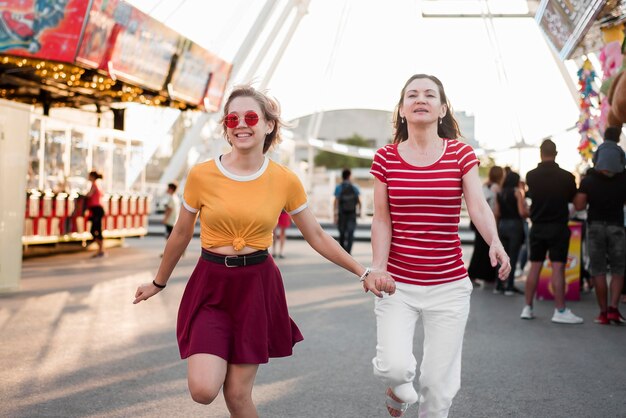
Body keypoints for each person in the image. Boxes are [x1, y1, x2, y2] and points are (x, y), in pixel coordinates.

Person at [133, 85, 396, 416]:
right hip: (211, 287)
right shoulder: (202, 174)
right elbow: (182, 232)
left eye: (251, 116)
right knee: (202, 390)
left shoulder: (284, 179)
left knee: (238, 394)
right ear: (226, 128)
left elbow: (315, 234)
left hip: (256, 288)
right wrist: (158, 282)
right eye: (233, 118)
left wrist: (364, 271)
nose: (241, 124)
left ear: (269, 125)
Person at [369, 74, 510, 417]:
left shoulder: (461, 154)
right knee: (395, 368)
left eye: (430, 95)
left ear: (442, 108)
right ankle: (398, 392)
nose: (421, 99)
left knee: (436, 384)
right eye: (412, 95)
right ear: (402, 109)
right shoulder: (386, 158)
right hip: (397, 285)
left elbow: (477, 205)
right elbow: (382, 218)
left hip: (448, 285)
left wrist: (495, 241)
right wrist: (378, 267)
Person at [520, 139, 583, 324]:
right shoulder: (566, 177)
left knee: (534, 267)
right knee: (558, 269)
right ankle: (560, 310)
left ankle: (527, 307)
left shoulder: (531, 176)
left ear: (540, 153)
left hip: (537, 226)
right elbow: (576, 202)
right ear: (556, 153)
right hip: (558, 226)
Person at [573, 146, 626, 324]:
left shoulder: (589, 181)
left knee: (599, 270)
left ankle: (603, 313)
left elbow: (579, 206)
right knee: (618, 270)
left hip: (595, 226)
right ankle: (613, 309)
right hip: (617, 226)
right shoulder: (623, 178)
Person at [467, 165, 503, 287]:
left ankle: (474, 274)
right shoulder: (496, 188)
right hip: (488, 222)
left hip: (478, 221)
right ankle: (484, 276)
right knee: (487, 249)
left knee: (479, 249)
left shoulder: (484, 186)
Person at [494, 170, 529, 295]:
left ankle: (498, 285)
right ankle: (509, 285)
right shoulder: (517, 192)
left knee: (501, 256)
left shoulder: (499, 193)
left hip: (502, 225)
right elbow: (521, 212)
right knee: (513, 256)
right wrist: (528, 212)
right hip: (515, 226)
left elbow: (496, 213)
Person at [334, 168, 361, 254]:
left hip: (342, 213)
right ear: (349, 176)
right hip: (352, 213)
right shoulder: (354, 187)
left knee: (342, 232)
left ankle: (343, 253)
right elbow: (359, 201)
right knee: (351, 233)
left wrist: (335, 214)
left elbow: (336, 202)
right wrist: (359, 212)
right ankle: (348, 252)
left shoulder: (338, 187)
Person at [86, 170, 105, 258]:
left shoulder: (94, 185)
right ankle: (100, 250)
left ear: (92, 177)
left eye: (89, 176)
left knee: (95, 230)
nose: (88, 177)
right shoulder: (97, 185)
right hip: (96, 210)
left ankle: (101, 250)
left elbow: (89, 195)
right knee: (96, 230)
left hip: (97, 210)